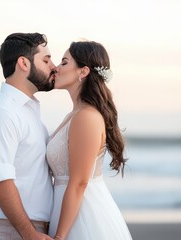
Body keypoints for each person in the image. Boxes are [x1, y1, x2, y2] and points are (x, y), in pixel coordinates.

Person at [0, 32, 57, 240]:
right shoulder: (2, 113)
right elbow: (0, 178)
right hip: (11, 231)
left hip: (25, 229)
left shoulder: (26, 111)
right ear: (23, 63)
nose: (54, 66)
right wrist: (28, 232)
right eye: (46, 60)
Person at [46, 40, 133, 239]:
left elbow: (79, 183)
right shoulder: (75, 114)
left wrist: (59, 237)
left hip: (83, 216)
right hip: (67, 211)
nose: (56, 68)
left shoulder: (86, 117)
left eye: (64, 62)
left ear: (83, 72)